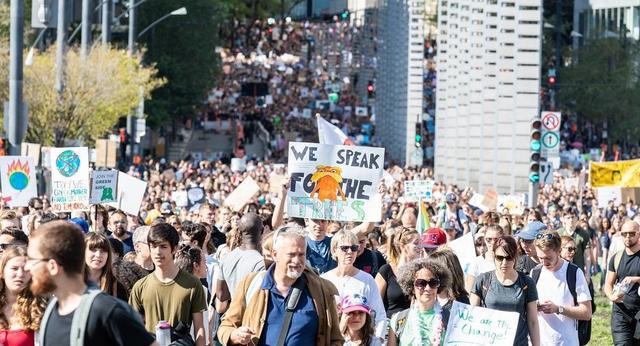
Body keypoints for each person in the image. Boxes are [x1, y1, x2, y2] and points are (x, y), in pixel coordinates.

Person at [25, 221, 155, 346]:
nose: (26, 267)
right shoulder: (52, 308)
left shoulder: (107, 310)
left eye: (32, 260)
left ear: (52, 266)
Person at [217, 225, 343, 345]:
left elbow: (335, 339)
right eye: (291, 254)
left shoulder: (322, 289)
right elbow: (226, 326)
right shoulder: (252, 284)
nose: (297, 260)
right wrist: (234, 335)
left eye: (301, 254)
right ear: (275, 254)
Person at [129, 223, 207, 346]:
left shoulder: (192, 284)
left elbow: (200, 329)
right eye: (153, 246)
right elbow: (133, 329)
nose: (157, 252)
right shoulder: (140, 286)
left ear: (174, 248)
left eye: (163, 246)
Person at [470, 236, 539, 346]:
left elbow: (533, 321)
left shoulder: (527, 282)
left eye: (509, 257)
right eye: (499, 258)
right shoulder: (483, 280)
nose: (504, 262)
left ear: (515, 257)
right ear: (493, 256)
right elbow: (472, 317)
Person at [321, 230, 387, 341]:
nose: (350, 252)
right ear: (334, 251)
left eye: (354, 248)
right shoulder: (324, 280)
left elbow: (379, 315)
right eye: (344, 248)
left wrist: (377, 340)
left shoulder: (367, 280)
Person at [532, 231, 592, 346]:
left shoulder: (574, 273)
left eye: (548, 258)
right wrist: (535, 306)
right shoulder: (535, 272)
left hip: (566, 341)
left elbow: (587, 312)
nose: (544, 262)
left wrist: (558, 309)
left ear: (559, 251)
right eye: (540, 258)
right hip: (540, 341)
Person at [388, 258, 451, 345]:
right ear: (412, 287)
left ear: (438, 286)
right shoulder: (398, 320)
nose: (428, 288)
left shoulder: (451, 318)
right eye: (421, 283)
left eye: (433, 283)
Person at [215, 213, 265, 314]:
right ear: (262, 231)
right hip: (252, 318)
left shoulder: (227, 257)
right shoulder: (261, 262)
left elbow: (221, 295)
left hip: (233, 317)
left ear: (240, 230)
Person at [0, 246, 47, 346]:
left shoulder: (40, 308)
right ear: (2, 272)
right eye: (14, 269)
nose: (20, 274)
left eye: (26, 270)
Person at [603, 220, 640, 345]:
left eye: (631, 233)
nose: (628, 236)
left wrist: (637, 279)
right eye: (624, 234)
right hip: (620, 314)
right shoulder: (616, 258)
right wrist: (611, 296)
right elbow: (608, 284)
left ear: (638, 234)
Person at [375, 227, 420, 318]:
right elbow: (375, 304)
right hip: (390, 325)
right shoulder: (386, 270)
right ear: (403, 246)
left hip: (414, 325)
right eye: (416, 243)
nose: (420, 246)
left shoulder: (421, 271)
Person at [84, 232, 128, 301]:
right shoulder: (71, 282)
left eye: (103, 251)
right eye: (93, 250)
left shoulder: (116, 287)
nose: (98, 255)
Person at [557, 210, 592, 284]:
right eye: (568, 218)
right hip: (561, 269)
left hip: (578, 269)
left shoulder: (583, 234)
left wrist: (587, 273)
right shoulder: (558, 234)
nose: (571, 220)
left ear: (576, 218)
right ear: (563, 219)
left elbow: (587, 255)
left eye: (573, 217)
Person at [465, 225, 504, 291]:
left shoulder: (508, 260)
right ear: (485, 239)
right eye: (489, 239)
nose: (492, 242)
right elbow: (469, 290)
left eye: (496, 239)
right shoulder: (476, 262)